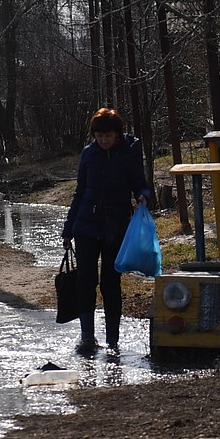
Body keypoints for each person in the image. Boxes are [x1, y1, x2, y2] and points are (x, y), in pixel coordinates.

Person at [62, 107, 151, 353]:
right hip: (86, 225)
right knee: (85, 280)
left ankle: (113, 340)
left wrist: (144, 197)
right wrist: (68, 229)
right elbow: (80, 192)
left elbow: (139, 184)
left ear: (117, 134)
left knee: (111, 283)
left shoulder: (128, 153)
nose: (102, 140)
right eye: (98, 136)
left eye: (107, 136)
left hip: (116, 225)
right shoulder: (89, 154)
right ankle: (87, 337)